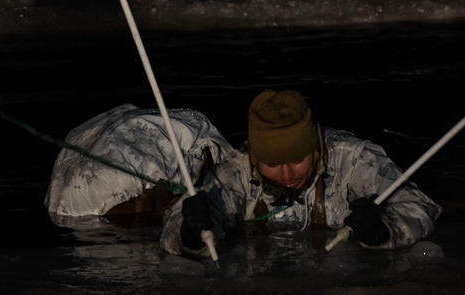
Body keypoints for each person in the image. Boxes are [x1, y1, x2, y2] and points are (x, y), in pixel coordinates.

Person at [45, 90, 441, 255]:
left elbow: (420, 205)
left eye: (297, 159)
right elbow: (178, 225)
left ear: (315, 147)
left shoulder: (353, 160)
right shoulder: (235, 171)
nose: (286, 173)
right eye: (272, 162)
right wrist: (189, 230)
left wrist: (382, 229)